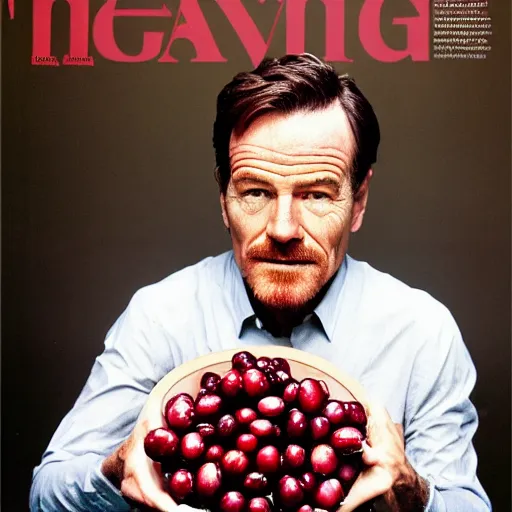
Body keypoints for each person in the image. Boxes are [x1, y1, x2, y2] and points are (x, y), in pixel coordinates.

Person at [30, 53, 491, 512]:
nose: (284, 228)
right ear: (223, 197)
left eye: (315, 194)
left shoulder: (422, 332)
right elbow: (46, 492)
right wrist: (119, 465)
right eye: (255, 192)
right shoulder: (161, 316)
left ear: (359, 201)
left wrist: (411, 491)